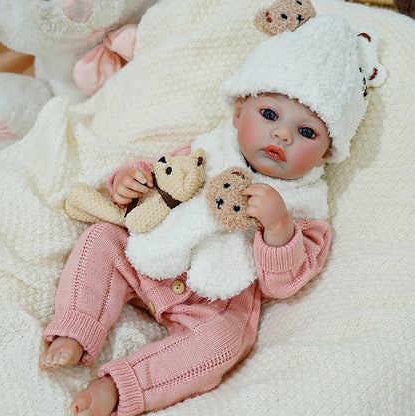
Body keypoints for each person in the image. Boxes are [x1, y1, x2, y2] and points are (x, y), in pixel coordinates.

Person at [39, 15, 383, 416]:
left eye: (307, 133)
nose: (283, 135)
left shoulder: (306, 205)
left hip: (214, 301)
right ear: (239, 112)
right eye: (270, 115)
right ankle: (76, 326)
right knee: (101, 240)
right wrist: (128, 183)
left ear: (326, 152)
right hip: (150, 260)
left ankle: (121, 386)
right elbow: (163, 179)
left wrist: (279, 228)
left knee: (224, 342)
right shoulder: (207, 148)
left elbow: (284, 284)